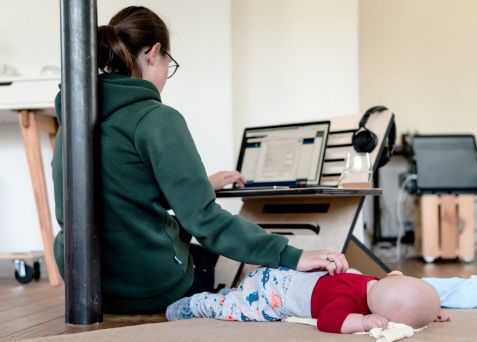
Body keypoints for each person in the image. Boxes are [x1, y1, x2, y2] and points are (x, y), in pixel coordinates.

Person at [51, 6, 348, 314]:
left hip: (86, 285)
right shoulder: (155, 118)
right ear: (153, 53)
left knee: (178, 230)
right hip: (146, 288)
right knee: (217, 264)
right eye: (169, 62)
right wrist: (292, 255)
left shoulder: (76, 118)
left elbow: (121, 193)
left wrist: (201, 184)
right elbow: (204, 220)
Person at [165, 268, 451, 333]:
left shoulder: (373, 280)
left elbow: (405, 297)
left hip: (277, 276)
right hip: (270, 296)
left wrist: (431, 312)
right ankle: (194, 304)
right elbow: (328, 322)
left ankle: (231, 294)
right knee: (234, 310)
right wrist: (362, 322)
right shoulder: (345, 300)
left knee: (237, 295)